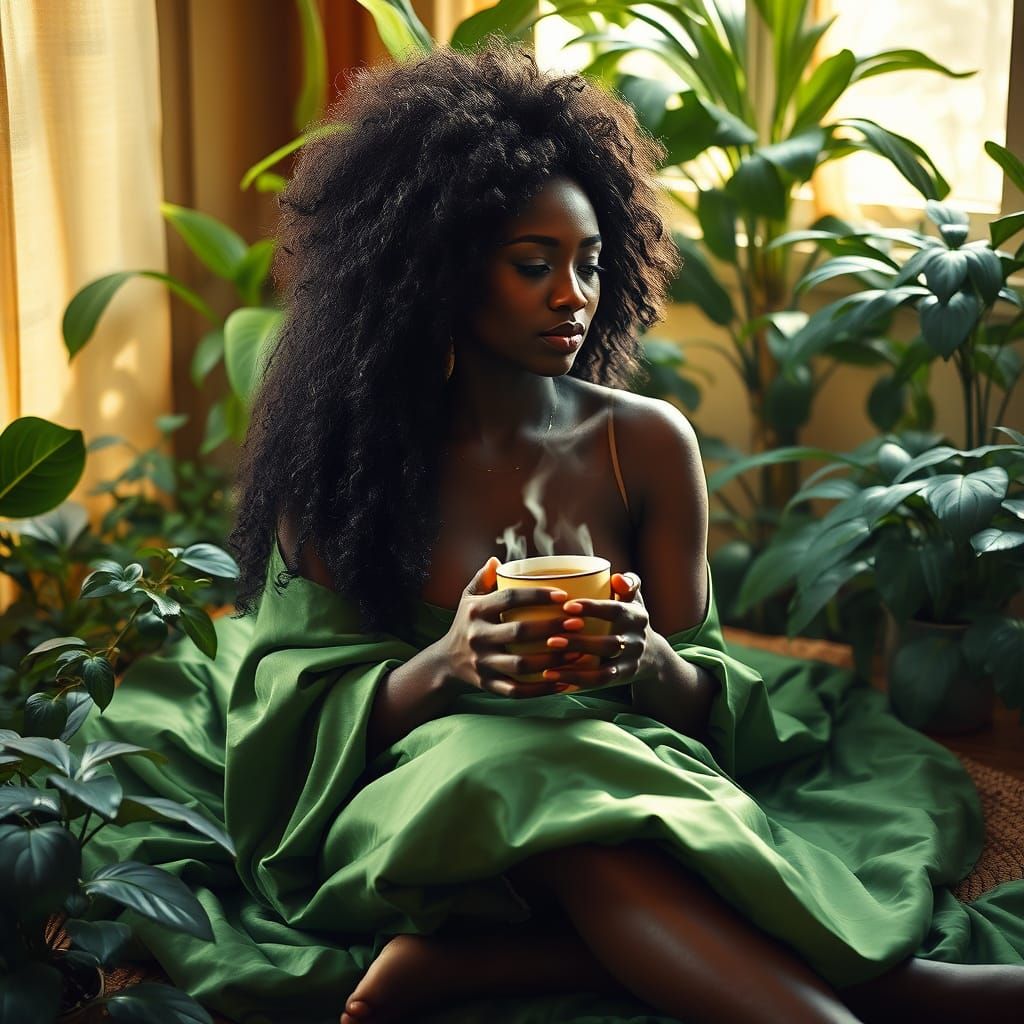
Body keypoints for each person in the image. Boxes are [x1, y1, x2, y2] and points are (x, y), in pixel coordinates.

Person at [79, 38, 1024, 1024]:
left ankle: (484, 965)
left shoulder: (644, 445)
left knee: (586, 797)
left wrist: (649, 661)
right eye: (534, 266)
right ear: (437, 273)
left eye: (591, 263)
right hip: (421, 812)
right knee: (527, 771)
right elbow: (294, 738)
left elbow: (708, 710)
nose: (573, 296)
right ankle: (907, 996)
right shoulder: (344, 468)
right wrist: (449, 664)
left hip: (629, 785)